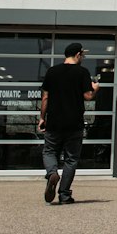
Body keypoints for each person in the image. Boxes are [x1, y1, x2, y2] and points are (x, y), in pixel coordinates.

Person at [39, 42, 100, 205]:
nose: (83, 58)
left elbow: (45, 97)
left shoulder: (52, 72)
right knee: (71, 159)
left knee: (49, 151)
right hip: (75, 123)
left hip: (54, 122)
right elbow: (88, 97)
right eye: (83, 55)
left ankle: (52, 173)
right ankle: (64, 195)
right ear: (78, 55)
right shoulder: (82, 72)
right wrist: (96, 88)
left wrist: (42, 118)